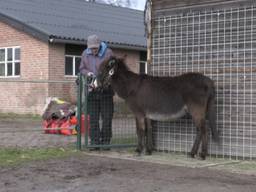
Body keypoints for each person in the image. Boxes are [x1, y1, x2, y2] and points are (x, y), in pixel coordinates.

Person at [79, 34, 114, 147]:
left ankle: (105, 142)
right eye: (91, 48)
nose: (93, 50)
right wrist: (87, 73)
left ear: (100, 45)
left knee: (107, 118)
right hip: (92, 90)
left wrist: (104, 77)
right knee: (93, 119)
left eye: (95, 48)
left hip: (106, 91)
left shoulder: (108, 53)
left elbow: (113, 68)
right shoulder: (85, 54)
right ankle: (94, 142)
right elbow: (82, 69)